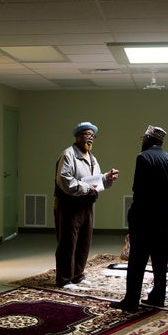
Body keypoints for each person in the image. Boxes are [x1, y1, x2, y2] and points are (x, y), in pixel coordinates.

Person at [111, 125, 168, 312]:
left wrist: (135, 216)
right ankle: (158, 297)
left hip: (145, 217)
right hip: (165, 217)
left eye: (143, 138)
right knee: (160, 261)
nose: (141, 141)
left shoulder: (143, 157)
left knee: (137, 260)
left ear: (148, 139)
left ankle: (131, 301)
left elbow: (139, 190)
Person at [54, 121, 119, 290]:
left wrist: (107, 178)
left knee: (84, 241)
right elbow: (65, 181)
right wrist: (86, 188)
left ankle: (77, 275)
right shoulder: (68, 155)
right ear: (77, 136)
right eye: (86, 135)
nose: (90, 139)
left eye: (92, 136)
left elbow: (95, 180)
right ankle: (64, 279)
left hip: (86, 205)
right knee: (68, 242)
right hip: (69, 205)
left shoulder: (92, 157)